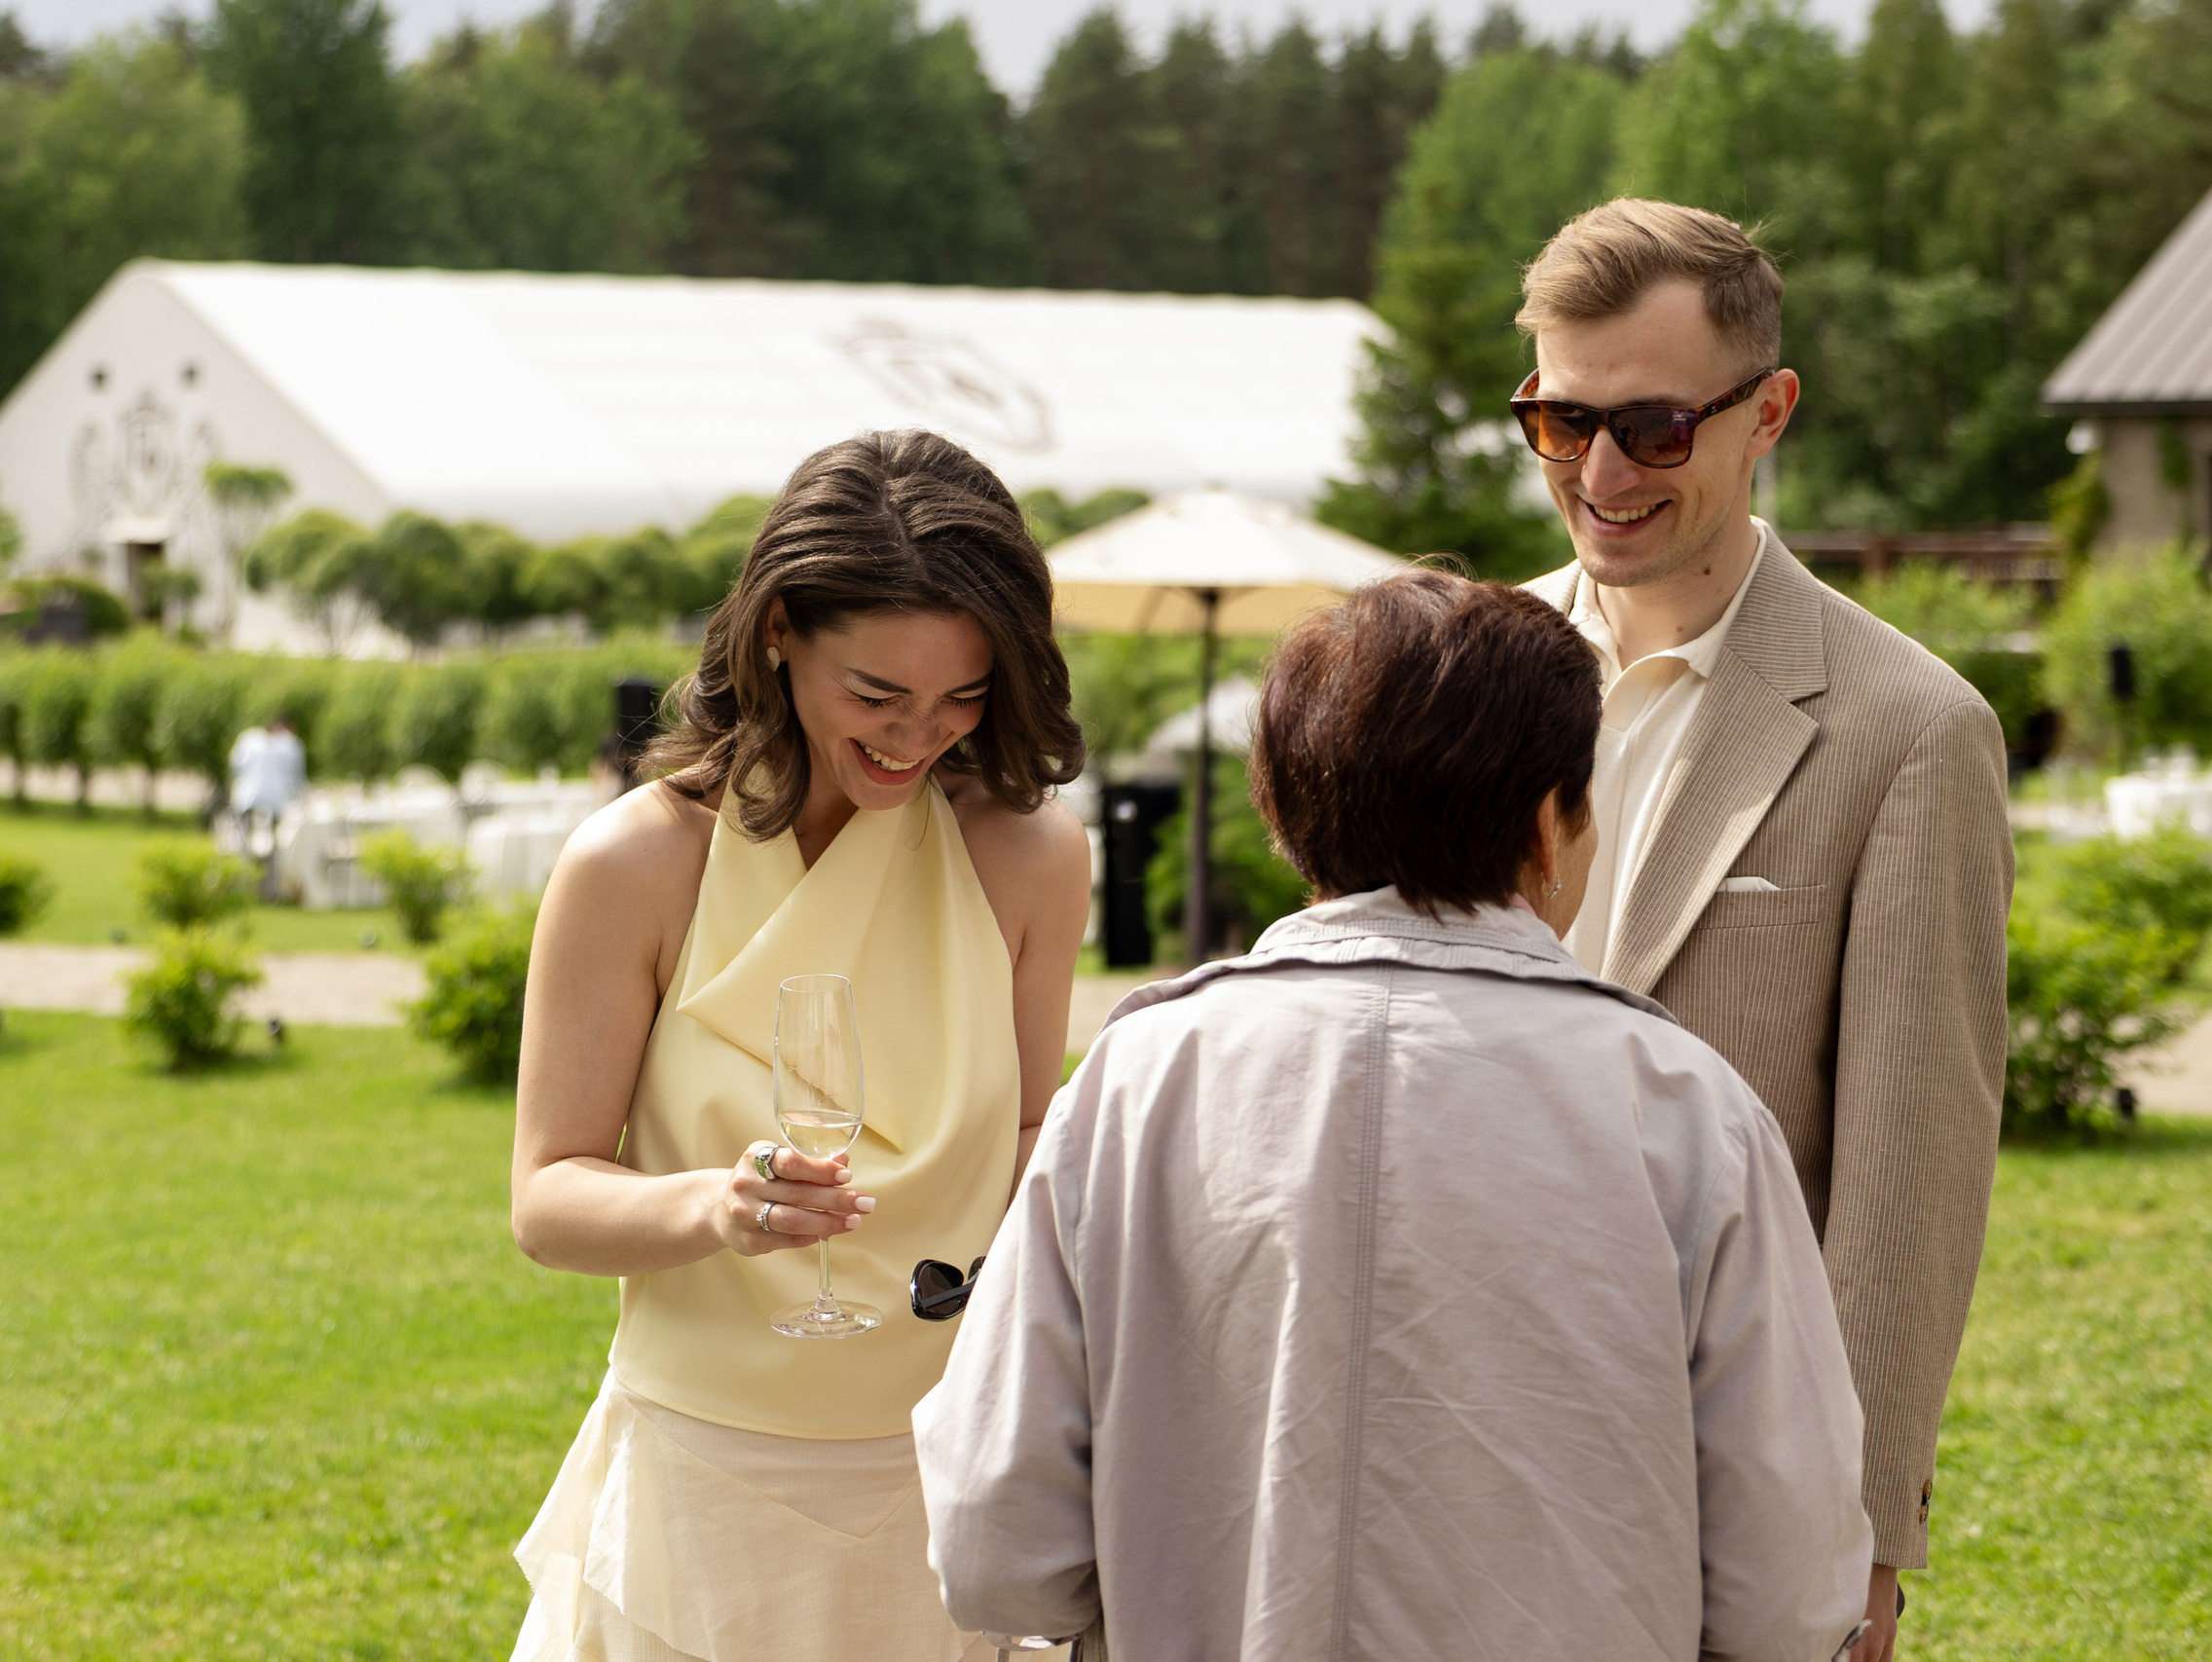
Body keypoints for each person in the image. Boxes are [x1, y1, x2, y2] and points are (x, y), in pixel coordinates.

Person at [915, 572, 1874, 1662]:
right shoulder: (1685, 1106)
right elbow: (1788, 1587)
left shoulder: (1138, 1078)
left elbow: (995, 1543)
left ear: (1282, 814)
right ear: (1547, 825)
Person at [1509, 199, 2015, 1660]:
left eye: (1654, 426)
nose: (1600, 472)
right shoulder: (1472, 674)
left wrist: (1860, 1532)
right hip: (1453, 1421)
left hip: (1721, 1457)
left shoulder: (1913, 730)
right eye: (1559, 422)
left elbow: (1912, 1180)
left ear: (1767, 412)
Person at [504, 430, 1093, 1662]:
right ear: (777, 631)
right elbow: (549, 1198)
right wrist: (718, 1210)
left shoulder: (1031, 857)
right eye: (875, 694)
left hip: (943, 1476)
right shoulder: (634, 862)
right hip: (700, 1485)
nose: (916, 735)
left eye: (963, 696)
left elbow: (1033, 1134)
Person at [228, 716, 306, 899]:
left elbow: (236, 764)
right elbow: (295, 776)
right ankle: (269, 891)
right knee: (271, 847)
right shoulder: (289, 745)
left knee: (245, 845)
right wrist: (299, 797)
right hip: (274, 799)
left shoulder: (249, 739)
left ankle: (246, 887)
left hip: (247, 797)